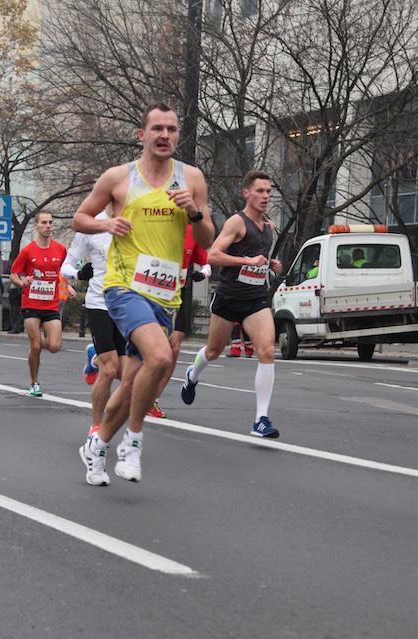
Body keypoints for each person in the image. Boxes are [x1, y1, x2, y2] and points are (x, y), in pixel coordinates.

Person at [71, 102, 214, 486]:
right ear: (142, 135)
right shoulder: (119, 178)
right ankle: (132, 443)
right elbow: (80, 218)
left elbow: (207, 240)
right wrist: (107, 225)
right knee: (162, 357)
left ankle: (97, 446)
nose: (164, 135)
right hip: (123, 287)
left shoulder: (191, 178)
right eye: (157, 129)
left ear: (178, 135)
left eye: (171, 129)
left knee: (135, 381)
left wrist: (195, 212)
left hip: (165, 294)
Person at [181, 170, 283, 438]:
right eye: (260, 191)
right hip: (229, 297)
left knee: (267, 351)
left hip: (255, 298)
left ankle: (261, 420)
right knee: (214, 350)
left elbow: (259, 257)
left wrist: (271, 264)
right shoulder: (236, 222)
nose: (265, 196)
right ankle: (192, 375)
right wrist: (247, 261)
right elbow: (213, 256)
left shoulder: (269, 226)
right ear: (246, 193)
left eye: (268, 191)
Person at [61, 212, 129, 446]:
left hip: (128, 305)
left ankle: (94, 359)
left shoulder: (138, 217)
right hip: (99, 303)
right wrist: (79, 274)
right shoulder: (91, 225)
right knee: (109, 371)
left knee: (128, 376)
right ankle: (96, 427)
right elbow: (66, 267)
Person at [150, 223, 211, 417]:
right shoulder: (156, 223)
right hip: (152, 291)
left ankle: (153, 400)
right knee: (150, 348)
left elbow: (207, 264)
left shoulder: (192, 230)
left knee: (174, 349)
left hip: (178, 293)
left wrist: (202, 274)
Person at [10, 211, 67, 396]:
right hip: (31, 304)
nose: (48, 226)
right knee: (35, 347)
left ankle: (37, 339)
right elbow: (13, 274)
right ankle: (34, 382)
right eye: (44, 223)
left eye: (50, 222)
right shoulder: (28, 251)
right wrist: (22, 282)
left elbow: (65, 270)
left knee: (54, 346)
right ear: (36, 225)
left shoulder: (60, 249)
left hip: (51, 305)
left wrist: (69, 285)